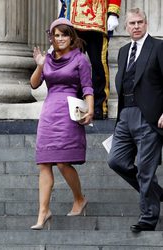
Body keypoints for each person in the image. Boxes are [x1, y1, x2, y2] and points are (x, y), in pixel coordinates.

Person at [30, 17, 94, 230]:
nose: (60, 39)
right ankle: (43, 212)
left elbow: (87, 88)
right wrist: (40, 65)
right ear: (52, 38)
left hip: (69, 112)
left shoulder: (80, 59)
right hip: (49, 112)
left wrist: (91, 109)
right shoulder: (47, 58)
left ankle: (79, 198)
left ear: (71, 36)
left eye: (64, 34)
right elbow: (34, 83)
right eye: (56, 35)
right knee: (44, 162)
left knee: (63, 162)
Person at [107, 8, 163, 233]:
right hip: (125, 115)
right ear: (126, 27)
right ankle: (157, 193)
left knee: (145, 170)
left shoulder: (159, 47)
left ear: (146, 24)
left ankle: (148, 219)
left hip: (148, 116)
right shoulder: (122, 51)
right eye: (132, 23)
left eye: (140, 22)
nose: (136, 26)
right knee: (116, 160)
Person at [59, 0, 121, 119]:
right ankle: (75, 104)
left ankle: (99, 106)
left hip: (98, 20)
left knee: (99, 65)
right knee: (73, 66)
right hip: (74, 20)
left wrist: (113, 12)